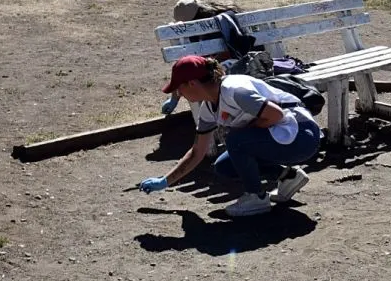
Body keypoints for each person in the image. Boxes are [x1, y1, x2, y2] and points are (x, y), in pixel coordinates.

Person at [138, 55, 322, 217]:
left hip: (303, 136)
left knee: (237, 141)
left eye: (180, 88)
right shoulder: (208, 108)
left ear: (192, 83)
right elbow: (197, 152)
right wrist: (165, 181)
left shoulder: (235, 91)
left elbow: (276, 115)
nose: (179, 94)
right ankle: (288, 176)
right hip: (284, 137)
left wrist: (247, 130)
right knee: (225, 166)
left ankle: (256, 198)